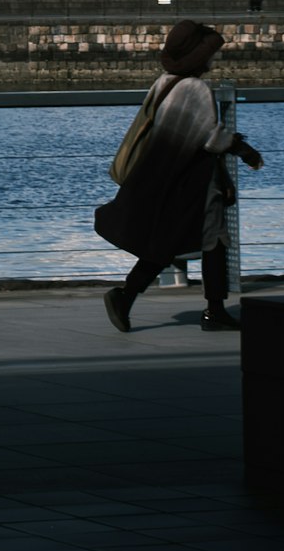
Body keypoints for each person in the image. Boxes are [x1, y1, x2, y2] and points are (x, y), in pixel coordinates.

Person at [94, 17, 266, 334]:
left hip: (165, 177)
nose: (216, 58)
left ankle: (131, 297)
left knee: (171, 242)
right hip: (191, 182)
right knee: (208, 240)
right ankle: (209, 310)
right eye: (212, 53)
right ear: (200, 57)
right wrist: (243, 149)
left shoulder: (165, 82)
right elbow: (209, 138)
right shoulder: (195, 89)